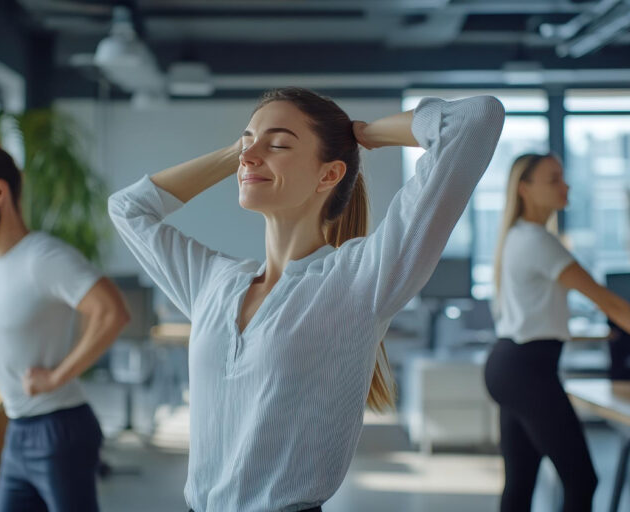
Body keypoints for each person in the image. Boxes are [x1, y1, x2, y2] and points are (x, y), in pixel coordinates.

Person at [109, 87, 504, 512]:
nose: (251, 155)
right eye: (248, 141)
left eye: (277, 143)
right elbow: (128, 209)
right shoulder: (214, 282)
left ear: (328, 175)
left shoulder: (358, 279)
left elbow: (477, 119)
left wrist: (364, 134)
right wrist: (238, 153)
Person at [485, 153, 630, 512]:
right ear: (525, 189)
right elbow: (612, 304)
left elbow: (542, 312)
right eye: (553, 179)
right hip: (527, 370)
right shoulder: (540, 242)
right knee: (581, 480)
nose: (566, 185)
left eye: (563, 176)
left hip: (508, 365)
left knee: (521, 481)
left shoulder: (518, 236)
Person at [0, 134, 130, 512]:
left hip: (59, 429)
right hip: (18, 430)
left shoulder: (43, 257)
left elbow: (112, 311)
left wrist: (56, 376)